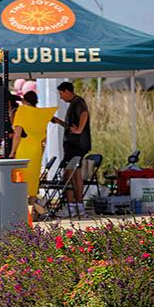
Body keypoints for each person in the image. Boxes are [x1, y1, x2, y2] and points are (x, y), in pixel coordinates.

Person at [9, 89, 57, 206]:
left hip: (23, 149)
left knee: (20, 177)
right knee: (33, 180)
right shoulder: (41, 114)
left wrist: (12, 151)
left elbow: (17, 135)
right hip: (37, 151)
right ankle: (32, 208)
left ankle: (20, 206)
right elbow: (44, 138)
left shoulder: (22, 111)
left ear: (25, 101)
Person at [51, 81, 91, 216]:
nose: (61, 97)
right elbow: (70, 127)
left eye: (61, 94)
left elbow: (84, 114)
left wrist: (79, 130)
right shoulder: (74, 103)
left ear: (67, 91)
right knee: (73, 174)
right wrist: (59, 122)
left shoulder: (78, 102)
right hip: (73, 145)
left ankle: (72, 206)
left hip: (76, 145)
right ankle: (77, 206)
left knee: (69, 175)